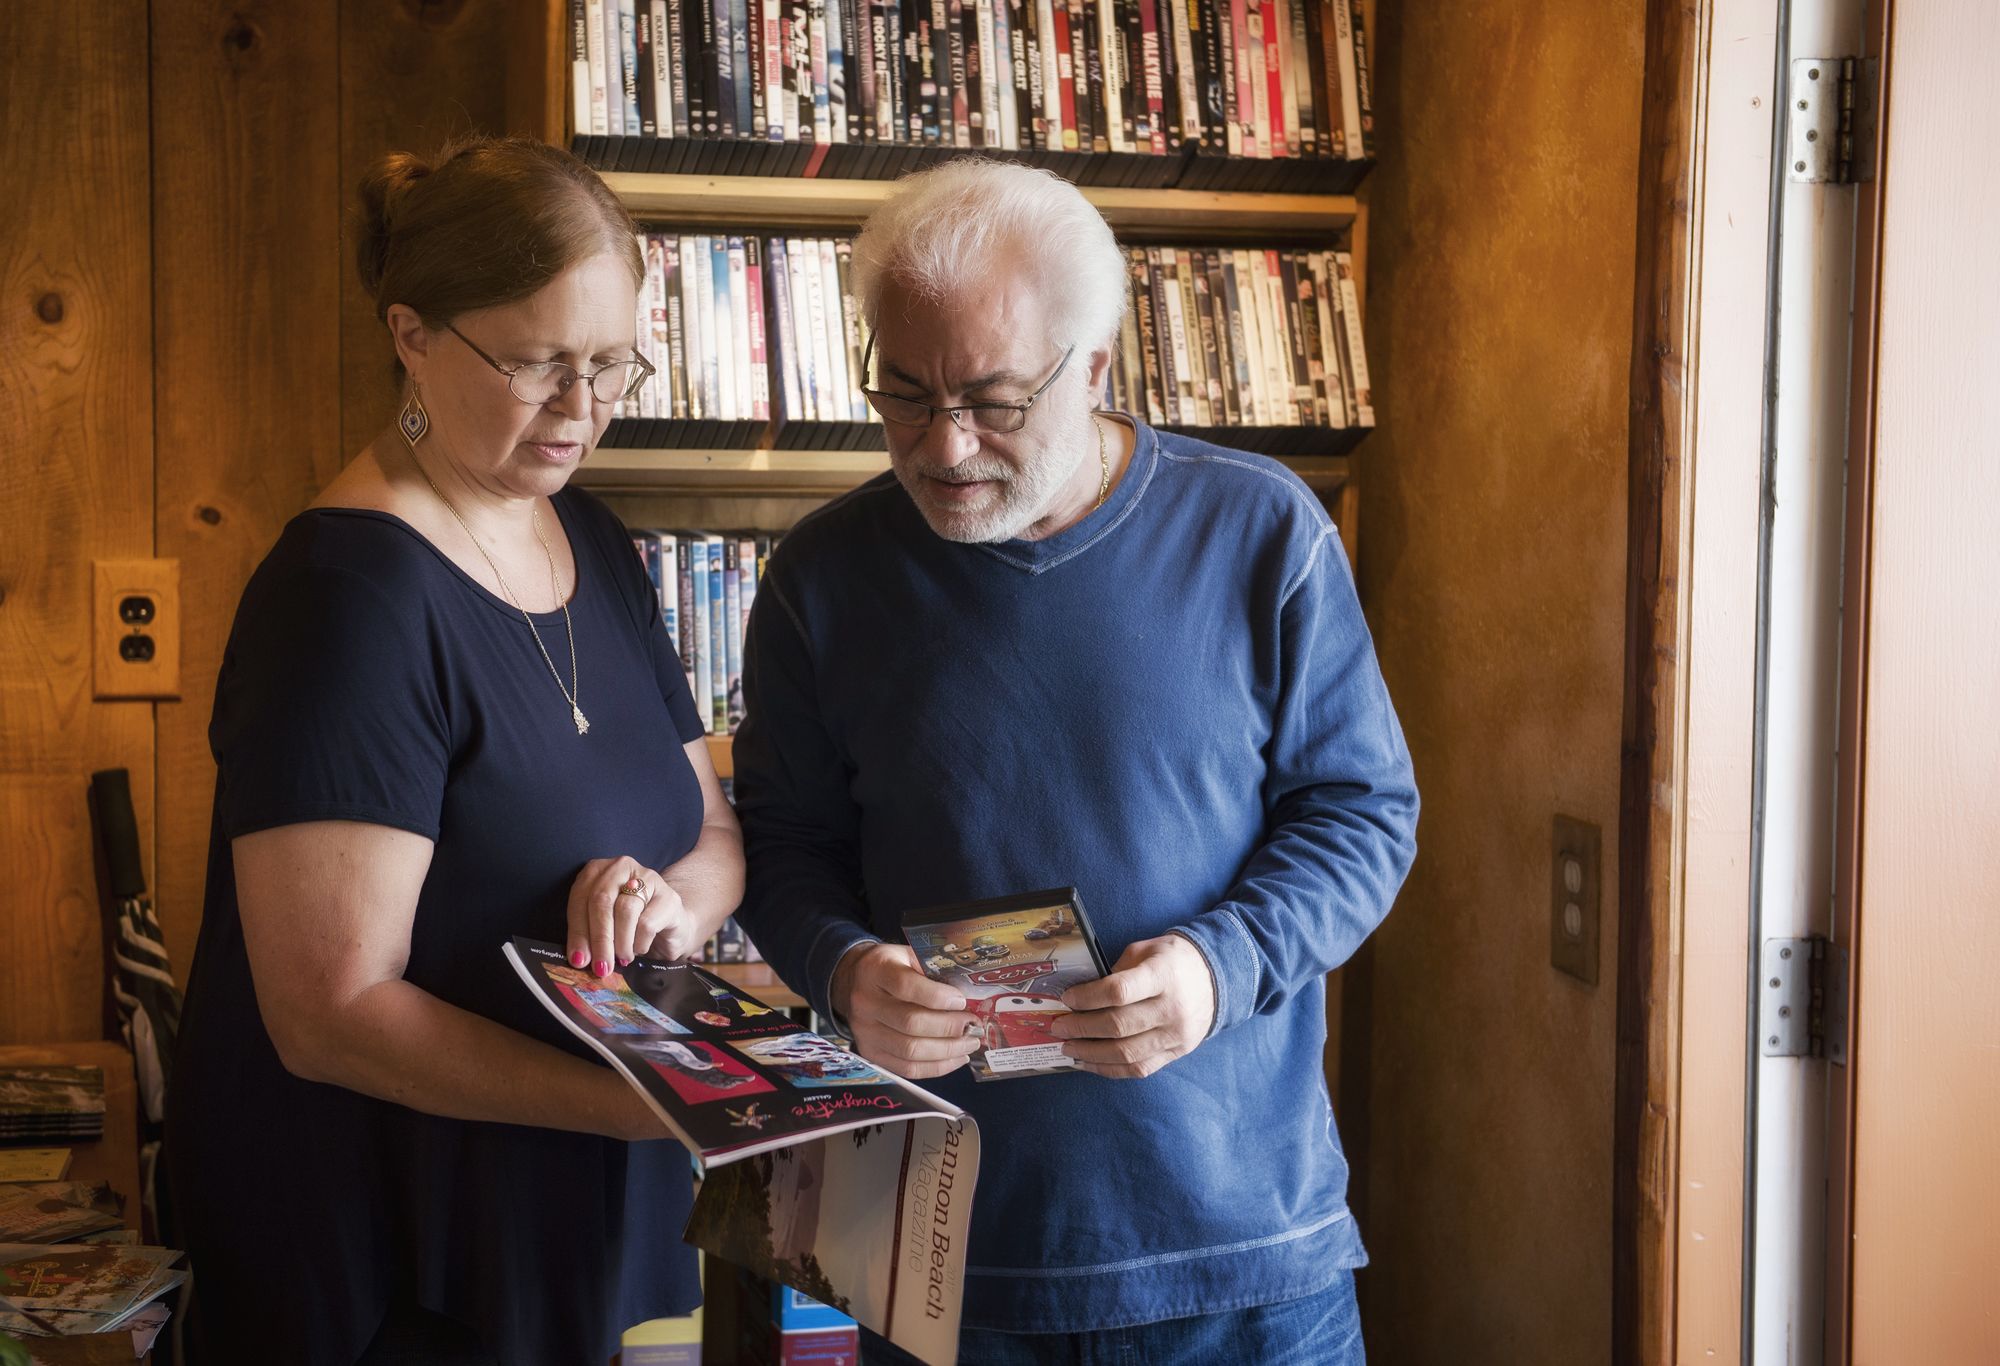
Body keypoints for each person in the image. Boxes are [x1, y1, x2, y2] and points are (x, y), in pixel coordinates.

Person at [731, 160, 1418, 1364]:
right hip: (935, 1257)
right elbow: (782, 847)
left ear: (1091, 367)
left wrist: (1222, 967)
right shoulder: (818, 580)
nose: (941, 446)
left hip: (1238, 1254)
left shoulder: (1260, 530)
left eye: (992, 400)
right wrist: (842, 973)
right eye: (901, 393)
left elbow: (1360, 814)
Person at [166, 136, 743, 1366]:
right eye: (537, 362)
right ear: (411, 332)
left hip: (565, 1217)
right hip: (395, 1253)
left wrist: (664, 904)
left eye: (610, 363)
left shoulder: (587, 532)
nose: (581, 407)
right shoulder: (347, 595)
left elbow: (714, 829)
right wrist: (647, 1103)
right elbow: (332, 1012)